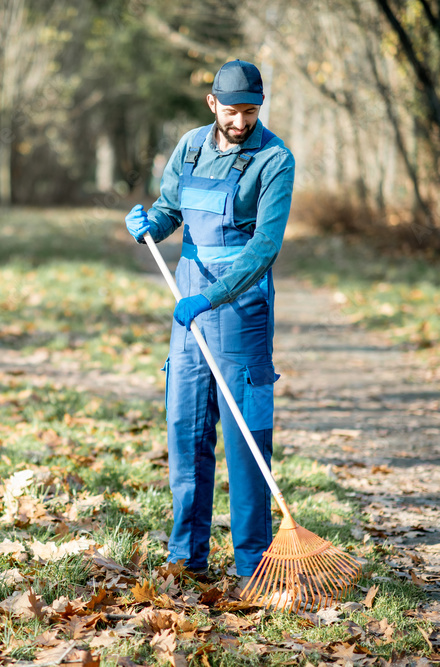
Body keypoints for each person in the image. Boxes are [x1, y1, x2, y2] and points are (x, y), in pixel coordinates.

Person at [124, 60, 295, 586]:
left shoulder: (275, 160)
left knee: (245, 440)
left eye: (250, 111)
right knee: (186, 427)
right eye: (232, 110)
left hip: (240, 308)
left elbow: (265, 247)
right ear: (212, 103)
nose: (241, 122)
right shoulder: (192, 145)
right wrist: (151, 222)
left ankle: (253, 568)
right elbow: (172, 206)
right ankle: (186, 559)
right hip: (188, 294)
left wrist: (215, 297)